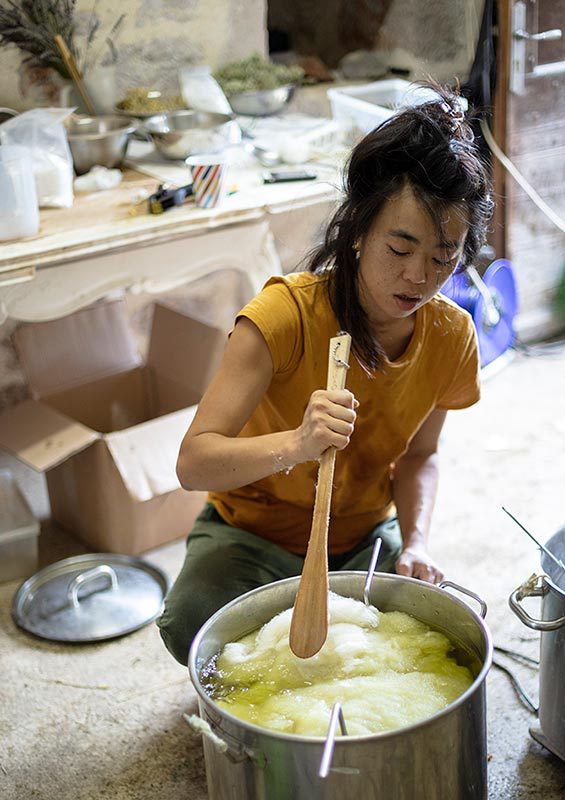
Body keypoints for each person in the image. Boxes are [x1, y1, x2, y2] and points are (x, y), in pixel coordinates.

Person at [157, 83, 493, 666]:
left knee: (429, 644)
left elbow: (420, 458)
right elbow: (192, 462)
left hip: (363, 534)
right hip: (252, 532)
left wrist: (415, 543)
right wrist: (298, 444)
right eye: (400, 247)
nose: (418, 277)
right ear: (360, 230)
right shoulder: (282, 316)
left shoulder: (451, 337)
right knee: (191, 625)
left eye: (443, 256)